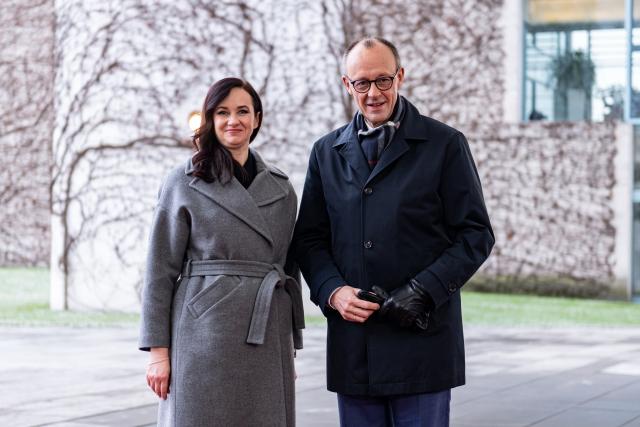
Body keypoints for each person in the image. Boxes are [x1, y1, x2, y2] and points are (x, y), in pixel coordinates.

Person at [293, 37, 494, 426]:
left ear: (400, 77)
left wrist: (423, 291)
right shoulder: (324, 152)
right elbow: (309, 239)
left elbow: (475, 234)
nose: (373, 93)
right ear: (346, 85)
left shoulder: (445, 144)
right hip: (355, 346)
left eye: (383, 80)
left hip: (422, 341)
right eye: (361, 83)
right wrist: (333, 292)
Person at [138, 77, 304, 427]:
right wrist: (158, 353)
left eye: (243, 111)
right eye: (223, 112)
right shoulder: (183, 181)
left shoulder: (281, 187)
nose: (234, 120)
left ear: (257, 118)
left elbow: (289, 267)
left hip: (267, 330)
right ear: (211, 120)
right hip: (203, 332)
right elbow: (159, 270)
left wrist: (290, 345)